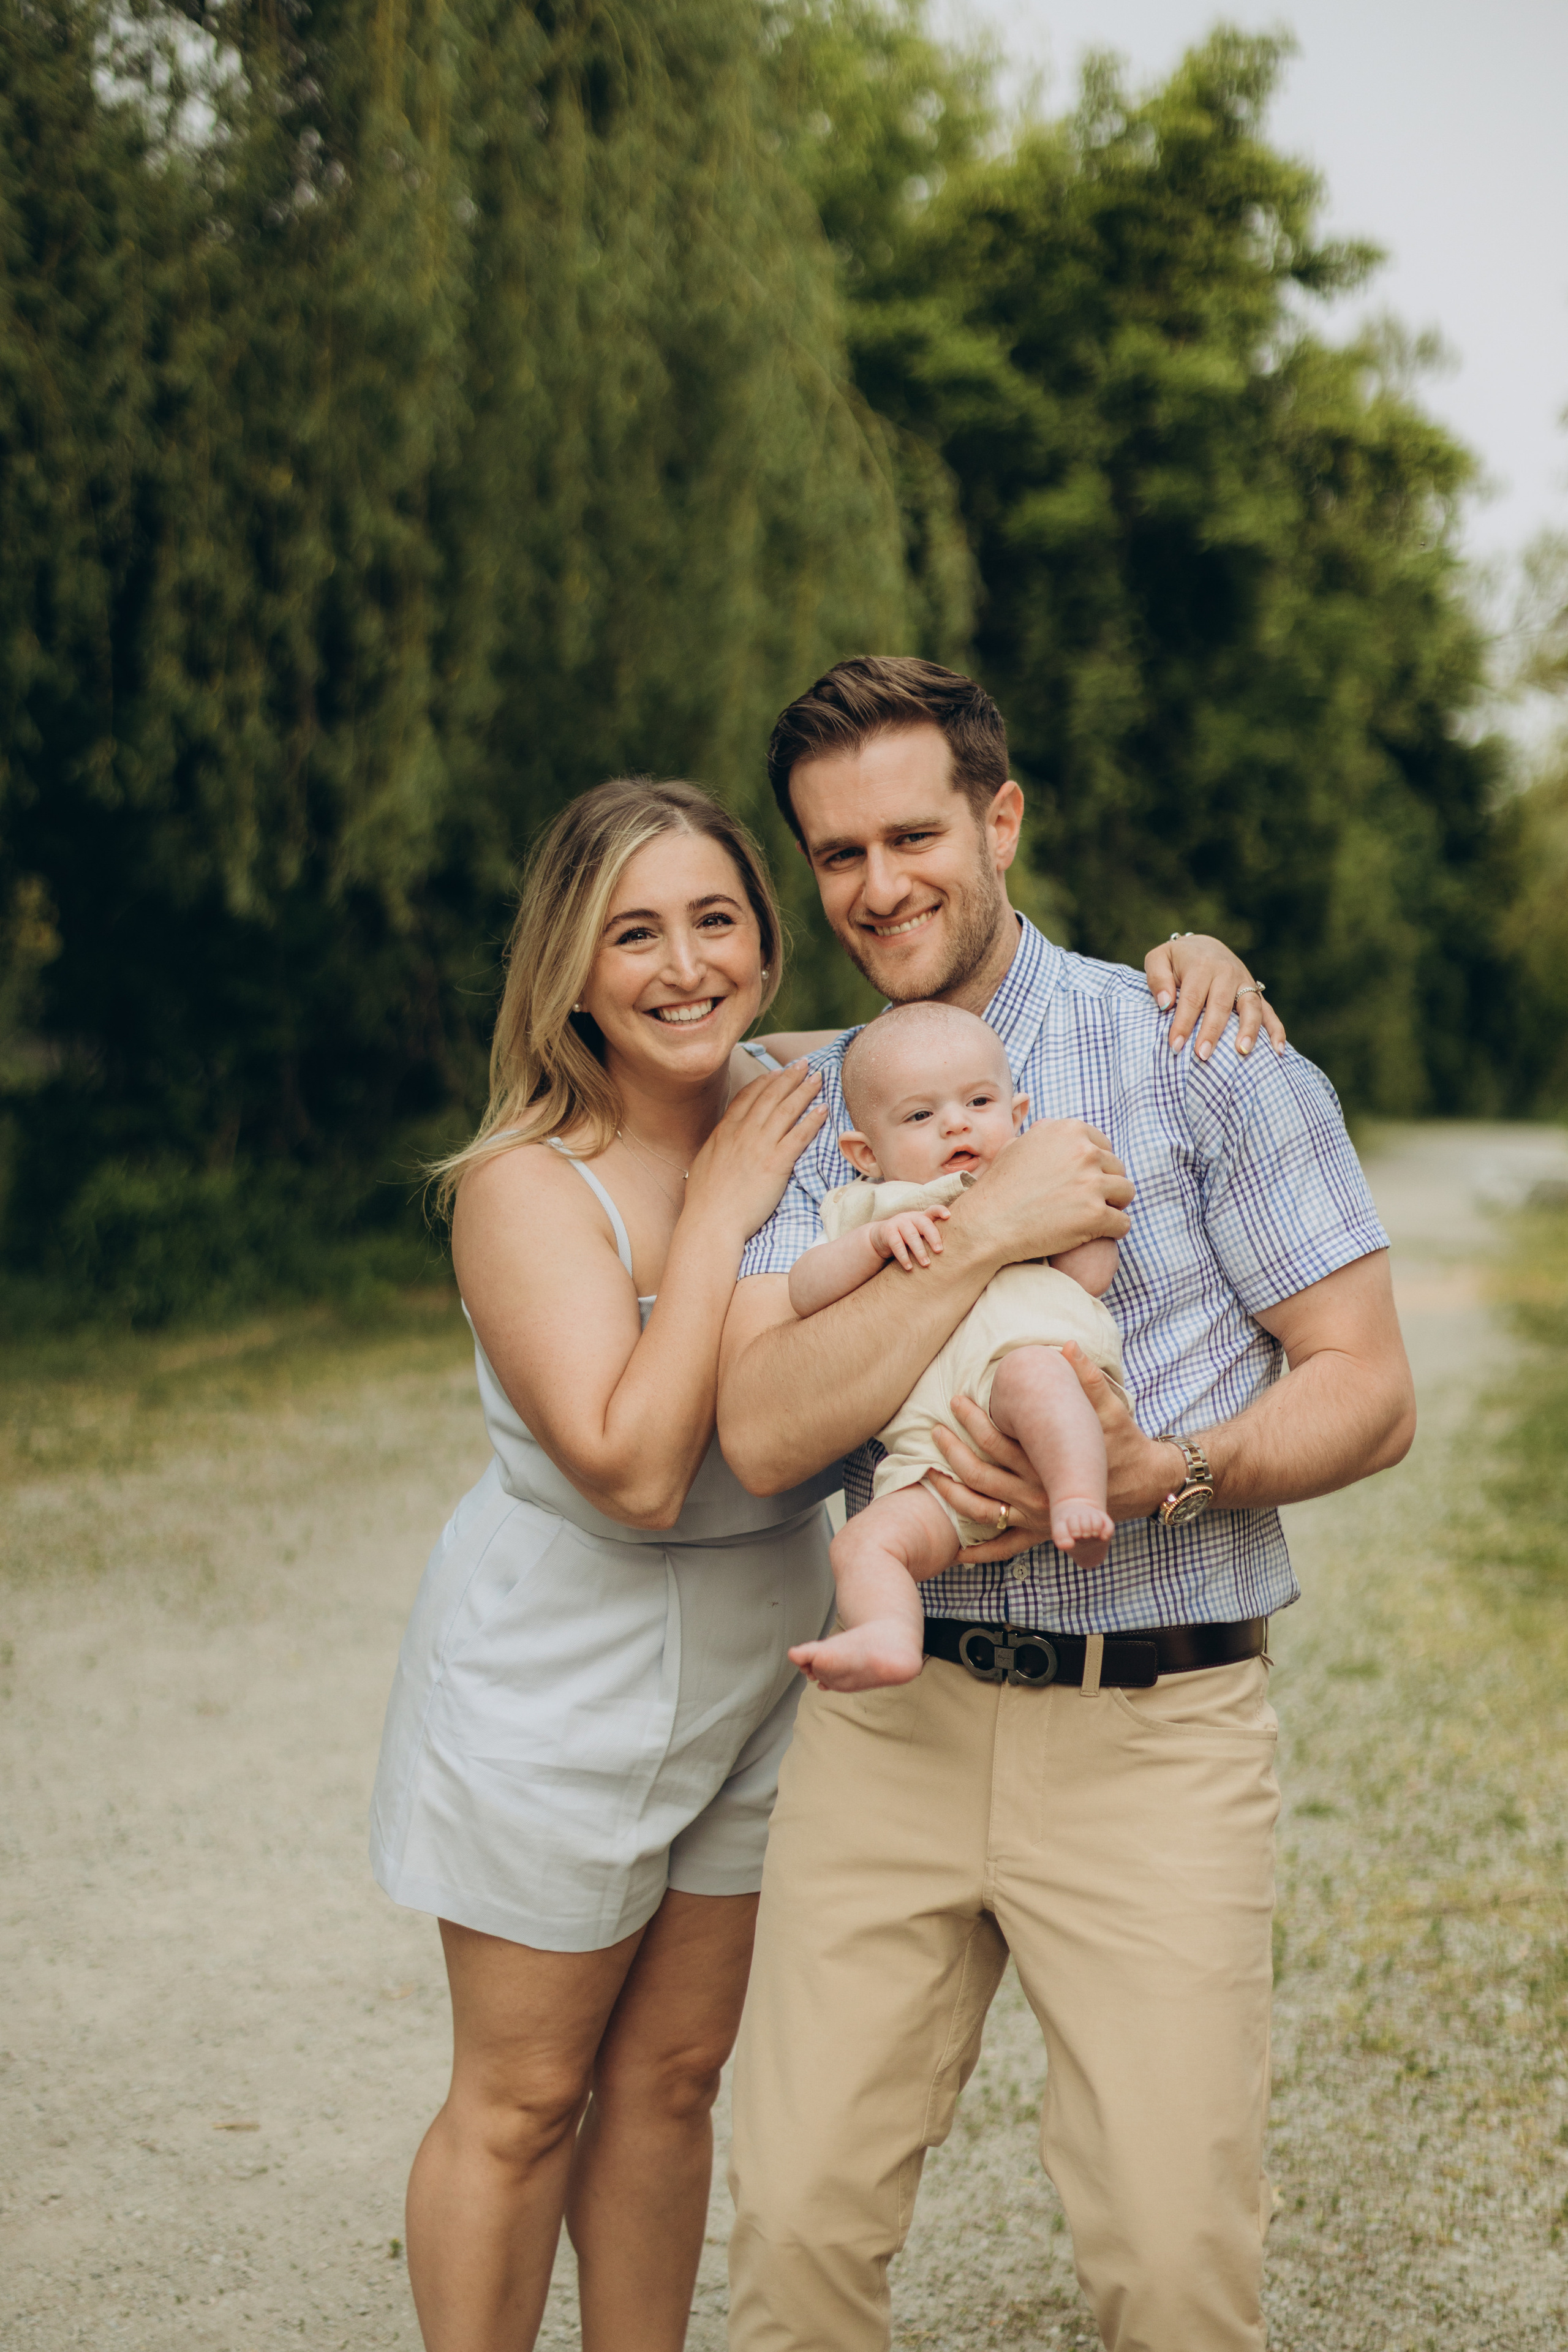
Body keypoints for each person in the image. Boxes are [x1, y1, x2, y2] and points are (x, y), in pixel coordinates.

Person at [368, 766, 1268, 2352]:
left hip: (765, 1657)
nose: (683, 966)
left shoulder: (809, 1082)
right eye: (632, 933)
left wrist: (1194, 956)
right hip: (556, 1676)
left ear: (770, 945)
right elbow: (642, 1468)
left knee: (670, 2083)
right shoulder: (525, 1181)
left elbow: (991, 1031)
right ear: (568, 967)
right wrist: (718, 1209)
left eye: (717, 919)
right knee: (521, 2104)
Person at [717, 657, 1417, 2352]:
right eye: (834, 856)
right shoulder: (823, 1108)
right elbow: (759, 1429)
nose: (878, 886)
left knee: (1174, 2271)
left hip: (1153, 1723)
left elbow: (1372, 1385)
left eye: (910, 835)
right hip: (898, 1724)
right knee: (797, 2236)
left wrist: (1172, 1466)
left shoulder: (1198, 1043)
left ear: (1002, 817)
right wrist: (987, 1221)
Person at [786, 998, 1123, 1694]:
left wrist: (1086, 1219)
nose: (956, 1123)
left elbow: (1088, 1279)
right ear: (864, 1153)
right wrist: (873, 1244)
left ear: (1017, 1114)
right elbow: (805, 1290)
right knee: (860, 1543)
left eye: (978, 1101)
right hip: (930, 1464)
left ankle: (1078, 1500)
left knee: (1036, 1377)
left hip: (1026, 1378)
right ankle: (887, 1637)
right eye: (919, 1116)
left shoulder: (1029, 1184)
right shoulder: (869, 1208)